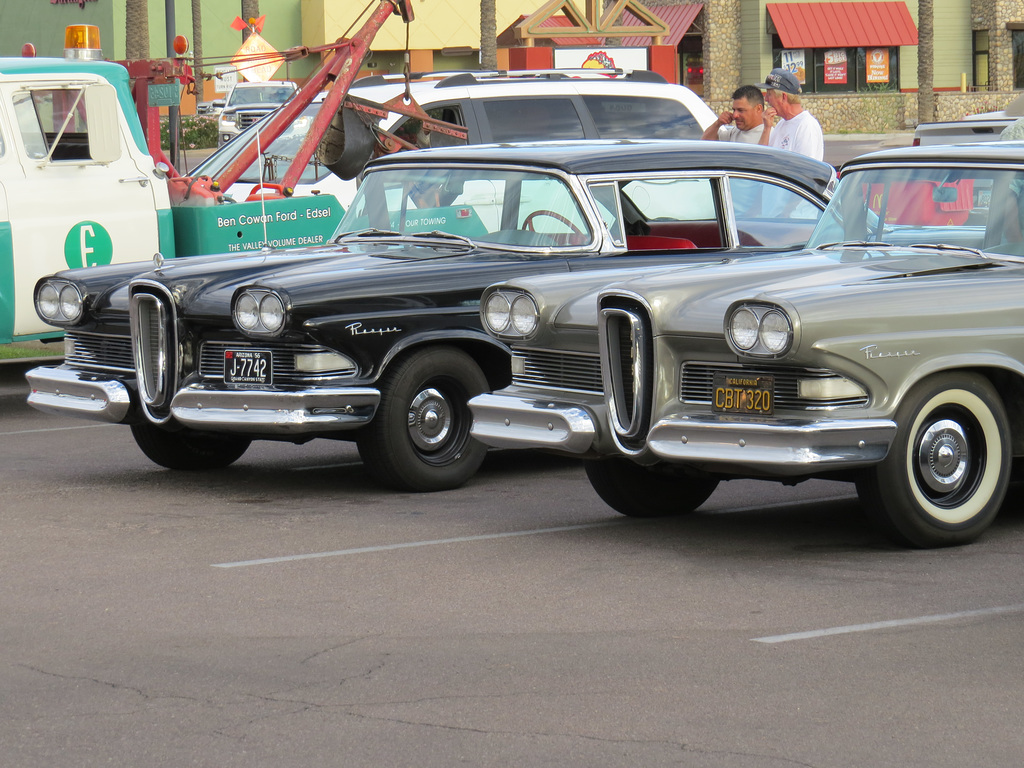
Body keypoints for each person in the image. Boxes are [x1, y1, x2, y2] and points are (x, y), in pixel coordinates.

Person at [756, 68, 824, 161]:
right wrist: (766, 129)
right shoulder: (781, 124)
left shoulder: (806, 125)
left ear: (783, 97)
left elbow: (806, 168)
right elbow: (760, 159)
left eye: (769, 94)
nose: (766, 99)